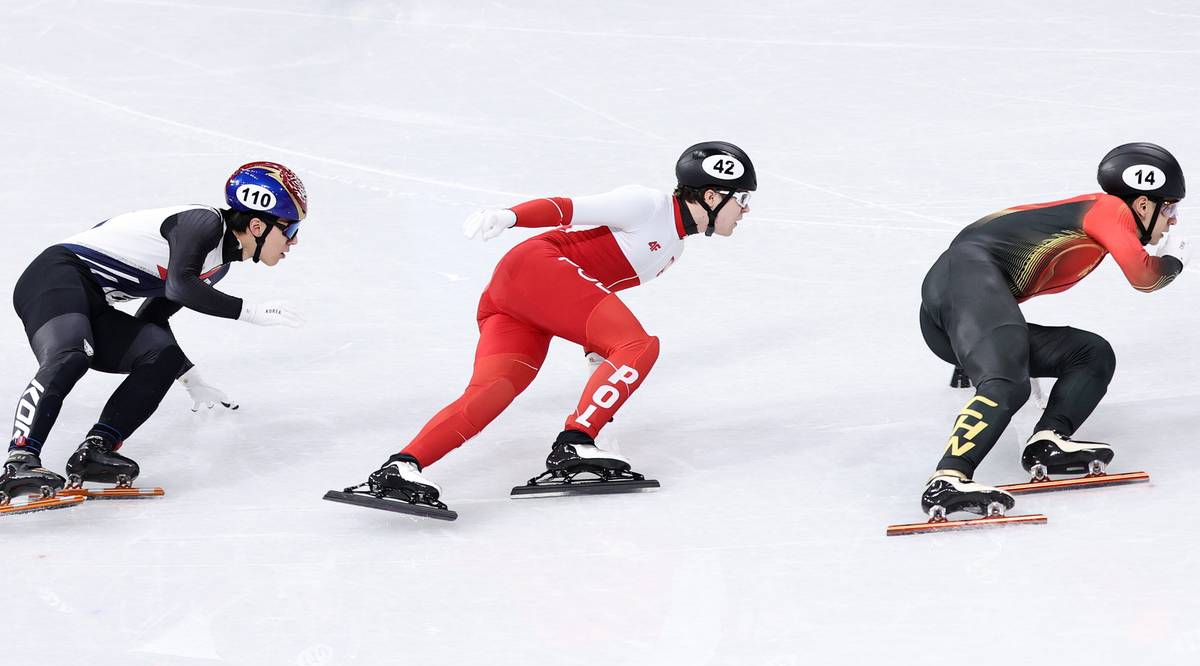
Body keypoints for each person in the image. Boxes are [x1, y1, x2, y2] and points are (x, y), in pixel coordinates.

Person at [352, 141, 756, 509]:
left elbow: (596, 295)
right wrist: (510, 216)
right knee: (640, 345)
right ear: (711, 195)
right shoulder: (648, 205)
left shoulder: (673, 249)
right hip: (539, 269)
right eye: (742, 199)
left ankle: (401, 466)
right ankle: (575, 442)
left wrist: (601, 372)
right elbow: (568, 207)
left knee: (493, 390)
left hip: (520, 294)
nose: (746, 210)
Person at [1, 161, 307, 506]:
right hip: (55, 276)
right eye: (291, 230)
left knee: (162, 356)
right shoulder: (202, 223)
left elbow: (155, 316)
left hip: (93, 301)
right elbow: (180, 287)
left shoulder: (217, 266)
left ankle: (95, 450)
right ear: (256, 225)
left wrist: (193, 382)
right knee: (71, 354)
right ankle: (19, 460)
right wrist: (249, 312)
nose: (294, 242)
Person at [918, 142, 1188, 518]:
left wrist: (971, 350)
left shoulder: (1096, 223)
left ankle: (1048, 441)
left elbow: (991, 273)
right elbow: (1144, 278)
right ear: (1143, 204)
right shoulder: (1110, 210)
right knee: (1009, 383)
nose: (1172, 220)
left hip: (957, 304)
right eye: (1169, 207)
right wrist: (1174, 260)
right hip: (958, 286)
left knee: (1090, 353)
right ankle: (948, 478)